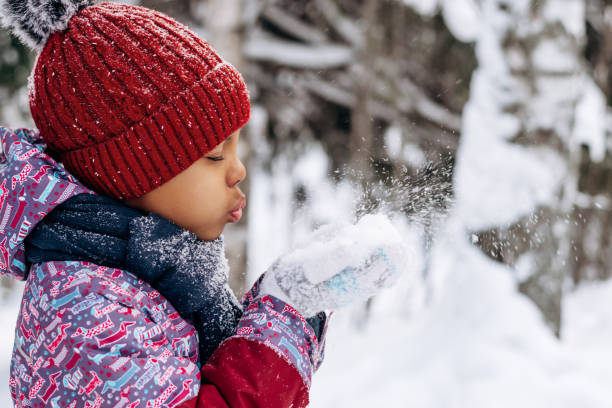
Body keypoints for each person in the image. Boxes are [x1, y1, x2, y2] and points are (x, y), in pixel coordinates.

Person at [0, 1, 407, 407]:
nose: (238, 171)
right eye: (215, 156)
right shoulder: (85, 313)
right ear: (129, 173)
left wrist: (286, 305)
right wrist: (283, 316)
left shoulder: (152, 274)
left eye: (236, 150)